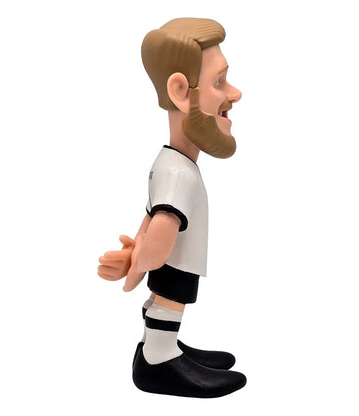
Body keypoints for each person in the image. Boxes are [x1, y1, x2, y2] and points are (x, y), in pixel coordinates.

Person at [98, 17, 246, 398]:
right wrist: (138, 261)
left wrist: (134, 251)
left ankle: (162, 348)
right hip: (174, 265)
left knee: (163, 301)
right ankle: (158, 358)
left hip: (172, 262)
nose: (235, 93)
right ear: (181, 91)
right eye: (219, 81)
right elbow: (160, 236)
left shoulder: (170, 162)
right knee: (170, 301)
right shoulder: (178, 172)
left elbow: (150, 215)